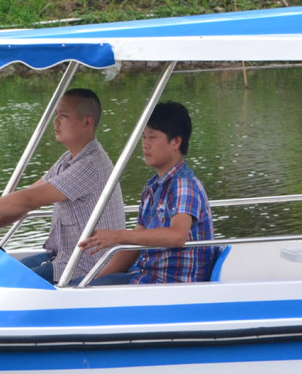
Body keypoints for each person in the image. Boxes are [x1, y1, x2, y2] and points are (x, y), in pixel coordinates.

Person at [0, 87, 125, 284]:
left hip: (86, 266)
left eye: (63, 116)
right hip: (63, 258)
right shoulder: (69, 160)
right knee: (0, 270)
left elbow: (28, 201)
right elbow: (31, 195)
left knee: (2, 281)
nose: (55, 122)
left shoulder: (90, 166)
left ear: (86, 122)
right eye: (56, 115)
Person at [79, 100, 216, 284]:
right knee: (81, 286)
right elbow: (134, 245)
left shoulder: (184, 185)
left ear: (175, 141)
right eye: (143, 137)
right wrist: (90, 281)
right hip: (148, 276)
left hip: (172, 284)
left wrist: (117, 236)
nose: (145, 144)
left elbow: (177, 235)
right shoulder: (153, 187)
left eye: (152, 137)